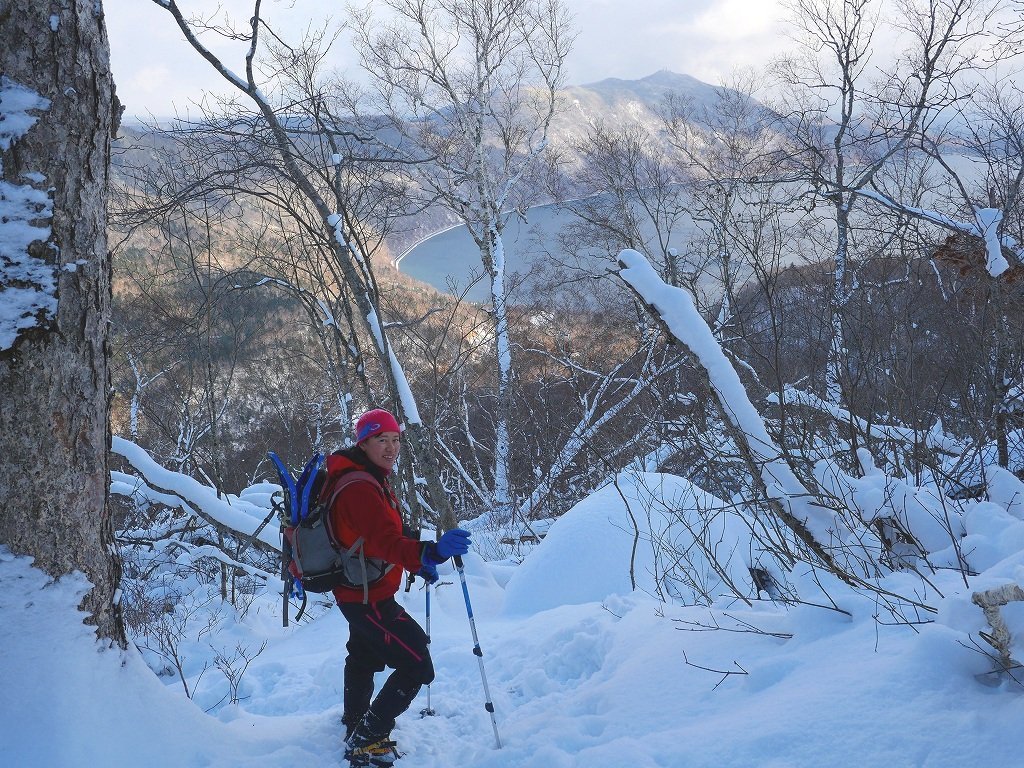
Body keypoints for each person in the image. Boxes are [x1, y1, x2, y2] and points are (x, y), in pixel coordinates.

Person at [325, 407, 471, 767]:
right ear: (364, 442)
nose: (391, 448)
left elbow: (377, 538)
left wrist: (419, 560)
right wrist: (430, 553)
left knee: (364, 656)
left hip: (360, 589)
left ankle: (355, 721)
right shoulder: (360, 487)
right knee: (417, 662)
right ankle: (367, 738)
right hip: (366, 597)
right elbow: (385, 540)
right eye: (381, 440)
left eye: (395, 440)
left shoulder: (366, 476)